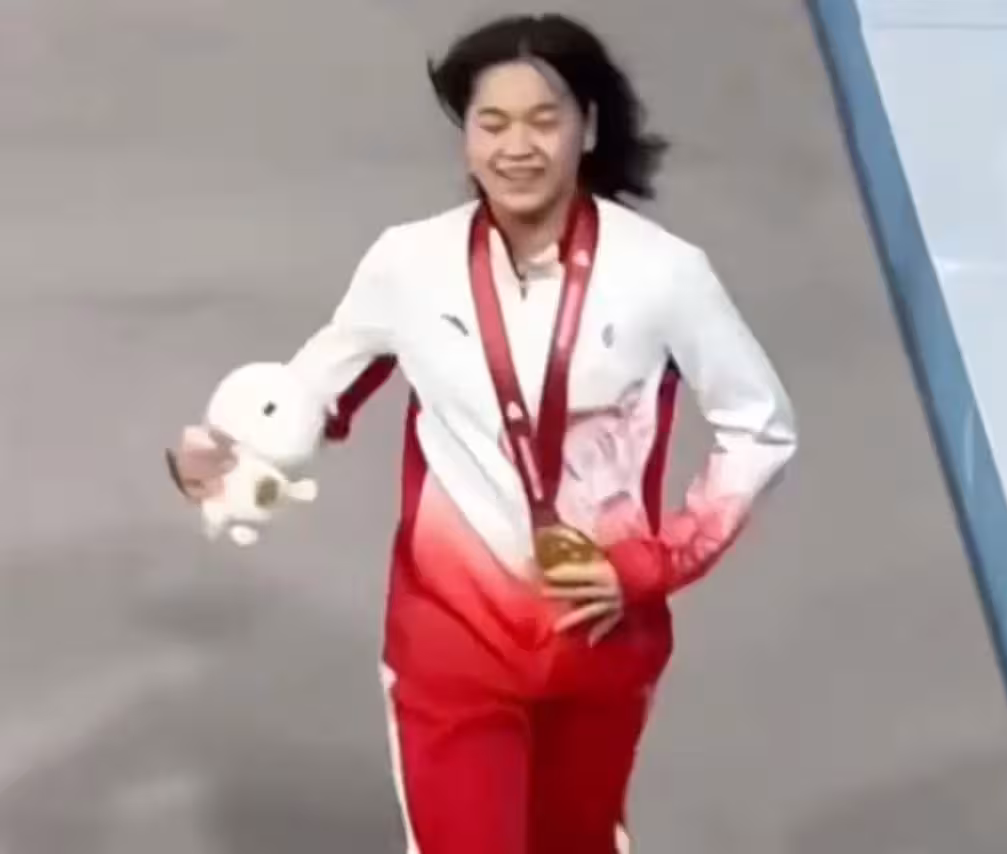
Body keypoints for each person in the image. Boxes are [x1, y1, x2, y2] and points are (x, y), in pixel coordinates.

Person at [167, 12, 797, 854]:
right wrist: (229, 456)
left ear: (587, 127)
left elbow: (761, 428)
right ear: (466, 137)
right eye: (491, 123)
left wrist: (655, 563)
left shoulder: (664, 275)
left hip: (603, 640)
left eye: (543, 120)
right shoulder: (409, 265)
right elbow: (312, 393)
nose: (516, 147)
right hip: (451, 638)